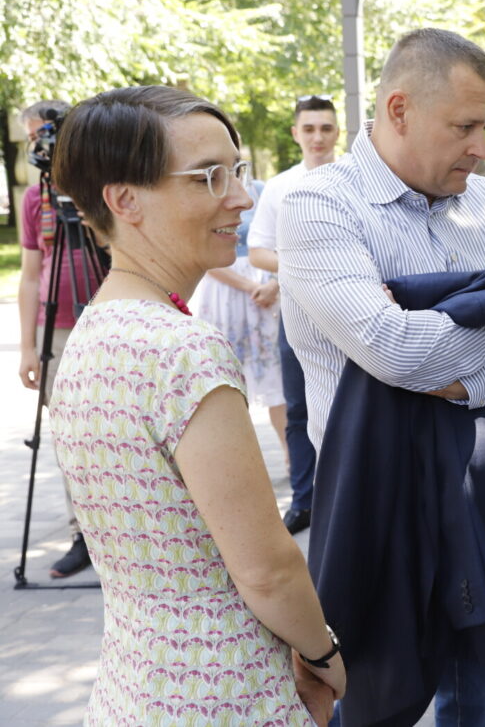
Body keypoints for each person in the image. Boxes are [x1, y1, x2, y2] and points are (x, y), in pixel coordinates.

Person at [279, 28, 485, 725]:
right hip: (376, 502)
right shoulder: (320, 206)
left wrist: (463, 381)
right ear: (399, 108)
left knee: (480, 696)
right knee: (372, 704)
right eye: (465, 126)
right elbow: (395, 350)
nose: (482, 148)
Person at [49, 85, 345, 725]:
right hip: (227, 695)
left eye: (236, 171)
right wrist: (325, 654)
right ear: (125, 201)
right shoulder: (184, 350)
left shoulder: (93, 334)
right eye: (209, 177)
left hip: (132, 689)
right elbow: (267, 568)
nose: (239, 196)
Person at [248, 94, 339, 536]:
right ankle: (305, 500)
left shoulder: (357, 181)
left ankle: (351, 496)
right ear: (295, 133)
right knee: (299, 409)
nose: (318, 136)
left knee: (353, 405)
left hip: (354, 312)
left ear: (338, 131)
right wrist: (305, 262)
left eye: (325, 127)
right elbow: (258, 250)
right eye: (309, 128)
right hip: (298, 314)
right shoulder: (281, 187)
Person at [16, 98, 96, 578]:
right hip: (57, 328)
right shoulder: (32, 200)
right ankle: (82, 534)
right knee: (68, 436)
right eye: (32, 140)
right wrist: (28, 346)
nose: (38, 148)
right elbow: (29, 276)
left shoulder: (96, 185)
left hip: (104, 317)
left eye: (46, 136)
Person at [191, 178, 289, 461]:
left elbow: (279, 242)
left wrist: (273, 283)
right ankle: (235, 456)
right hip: (226, 290)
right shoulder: (209, 190)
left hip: (266, 289)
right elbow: (205, 253)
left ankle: (289, 452)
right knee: (228, 374)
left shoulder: (261, 189)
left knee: (275, 374)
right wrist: (249, 287)